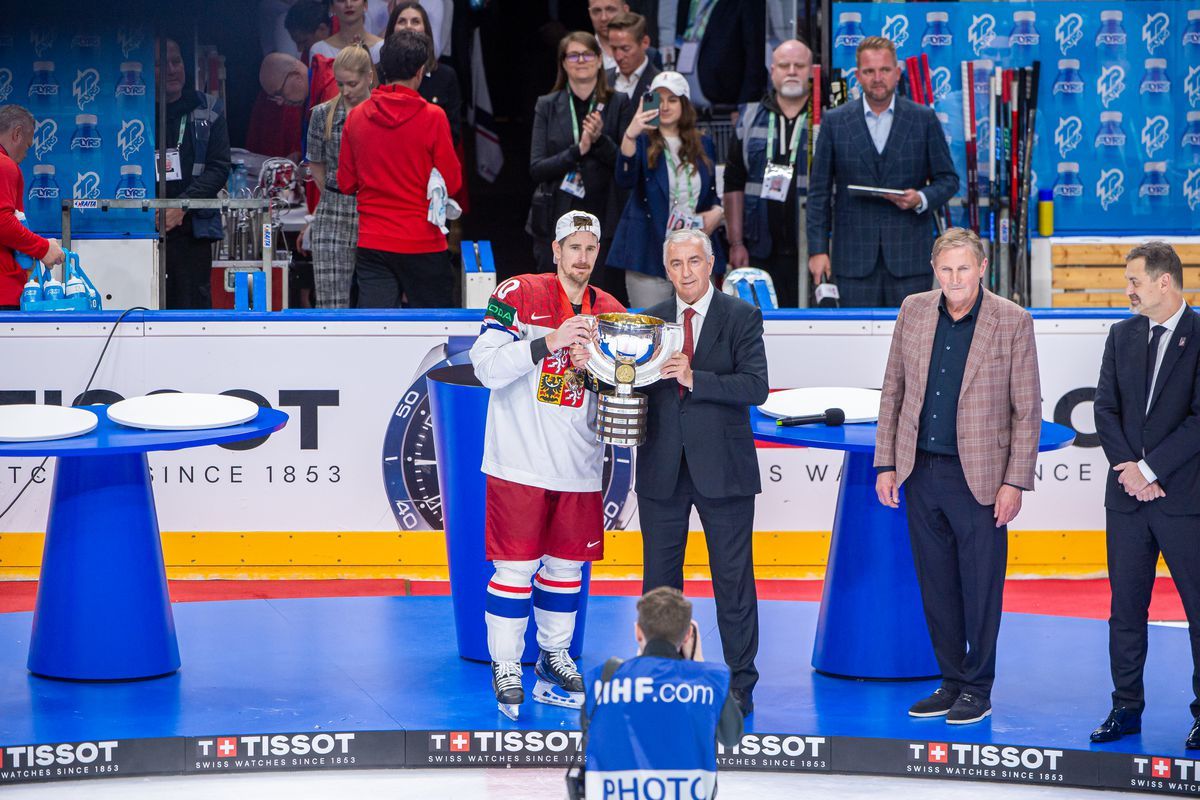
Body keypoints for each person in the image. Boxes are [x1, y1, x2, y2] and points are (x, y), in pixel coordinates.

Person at [874, 227, 1041, 725]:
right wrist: (886, 463)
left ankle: (977, 687)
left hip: (983, 480)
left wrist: (1015, 482)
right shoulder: (914, 310)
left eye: (963, 268)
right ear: (935, 271)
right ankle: (949, 681)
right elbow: (892, 392)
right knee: (937, 585)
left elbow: (1026, 410)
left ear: (982, 268)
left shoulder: (1012, 321)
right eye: (946, 269)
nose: (954, 279)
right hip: (920, 471)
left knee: (981, 586)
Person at [605, 227, 768, 716]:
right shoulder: (646, 322)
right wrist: (607, 376)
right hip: (661, 470)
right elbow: (628, 386)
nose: (685, 273)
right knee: (659, 584)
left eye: (693, 262)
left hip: (725, 470)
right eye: (675, 265)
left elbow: (756, 386)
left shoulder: (741, 315)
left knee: (733, 580)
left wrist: (696, 377)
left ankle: (741, 683)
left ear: (710, 262)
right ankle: (660, 675)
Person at [469, 211, 625, 720]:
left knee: (565, 569)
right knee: (514, 569)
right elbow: (486, 366)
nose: (581, 257)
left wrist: (599, 371)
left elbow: (621, 389)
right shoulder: (517, 292)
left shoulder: (612, 310)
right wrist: (547, 342)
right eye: (572, 247)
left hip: (579, 462)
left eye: (589, 248)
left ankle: (554, 654)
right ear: (554, 249)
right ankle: (507, 663)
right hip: (519, 460)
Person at [1090, 242, 1200, 748]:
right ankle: (1125, 707)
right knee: (1126, 609)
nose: (1127, 290)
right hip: (1128, 501)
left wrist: (1150, 469)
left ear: (1165, 282)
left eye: (1135, 280)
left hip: (1184, 500)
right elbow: (1104, 411)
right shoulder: (1121, 335)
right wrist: (1132, 472)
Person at [806, 36, 958, 308]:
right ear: (857, 76)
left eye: (885, 70)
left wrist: (921, 198)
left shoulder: (923, 119)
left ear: (897, 73)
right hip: (853, 260)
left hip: (910, 259)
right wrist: (818, 250)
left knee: (913, 346)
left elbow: (948, 180)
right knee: (856, 344)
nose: (878, 78)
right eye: (869, 71)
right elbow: (818, 194)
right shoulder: (835, 122)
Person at [579, 587, 743, 800]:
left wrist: (639, 661)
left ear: (638, 631)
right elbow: (731, 737)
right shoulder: (709, 680)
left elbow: (588, 729)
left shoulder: (604, 677)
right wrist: (699, 662)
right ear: (688, 635)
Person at [338, 29, 461, 308]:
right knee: (434, 333)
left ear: (380, 69)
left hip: (373, 241)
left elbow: (346, 183)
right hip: (423, 242)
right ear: (419, 72)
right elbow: (452, 182)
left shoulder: (356, 118)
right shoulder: (434, 117)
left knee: (375, 333)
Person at [608, 71, 724, 308]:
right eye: (659, 100)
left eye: (673, 100)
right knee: (652, 327)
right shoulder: (640, 140)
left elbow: (710, 195)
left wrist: (718, 211)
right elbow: (624, 179)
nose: (665, 106)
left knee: (698, 327)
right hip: (649, 251)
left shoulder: (704, 144)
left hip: (694, 250)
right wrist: (631, 133)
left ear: (684, 104)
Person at [529, 32, 630, 292]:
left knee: (601, 296)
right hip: (556, 212)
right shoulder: (547, 105)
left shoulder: (618, 102)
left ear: (599, 60)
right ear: (563, 63)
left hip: (605, 215)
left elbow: (627, 166)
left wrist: (599, 140)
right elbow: (537, 168)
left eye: (587, 54)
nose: (580, 60)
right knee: (554, 296)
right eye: (573, 55)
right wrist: (578, 150)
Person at [724, 38, 812, 308]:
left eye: (800, 65)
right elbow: (733, 183)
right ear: (772, 70)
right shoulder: (750, 116)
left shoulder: (827, 117)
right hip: (760, 247)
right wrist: (736, 243)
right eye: (784, 65)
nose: (792, 71)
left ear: (812, 70)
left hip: (812, 248)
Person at [157, 38, 232, 310]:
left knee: (192, 309)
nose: (172, 70)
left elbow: (219, 167)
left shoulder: (209, 108)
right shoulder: (132, 111)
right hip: (143, 229)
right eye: (161, 64)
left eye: (176, 62)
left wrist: (181, 207)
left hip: (192, 229)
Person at [305, 45, 375, 308]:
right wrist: (334, 195)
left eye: (352, 84)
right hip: (333, 210)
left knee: (377, 303)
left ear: (369, 77)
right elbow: (315, 162)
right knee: (330, 304)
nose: (346, 91)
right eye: (340, 83)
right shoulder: (322, 113)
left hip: (375, 211)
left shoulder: (382, 112)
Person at [0, 105, 64, 309]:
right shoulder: (4, 165)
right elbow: (2, 221)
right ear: (17, 133)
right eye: (27, 145)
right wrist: (43, 248)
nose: (27, 153)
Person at [386, 1, 462, 144]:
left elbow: (453, 135)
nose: (408, 26)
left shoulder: (446, 76)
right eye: (402, 21)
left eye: (415, 21)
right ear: (391, 29)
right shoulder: (378, 72)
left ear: (426, 30)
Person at [605, 12, 660, 101]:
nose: (618, 57)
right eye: (614, 48)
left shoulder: (660, 83)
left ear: (645, 42)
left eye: (625, 49)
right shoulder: (601, 80)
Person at [311, 0, 385, 63]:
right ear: (332, 8)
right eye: (341, 0)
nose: (348, 4)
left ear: (365, 5)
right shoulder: (319, 50)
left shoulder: (381, 47)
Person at [587, 0, 630, 71]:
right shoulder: (581, 56)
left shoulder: (646, 54)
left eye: (610, 10)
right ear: (589, 13)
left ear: (625, 10)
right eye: (597, 11)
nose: (604, 18)